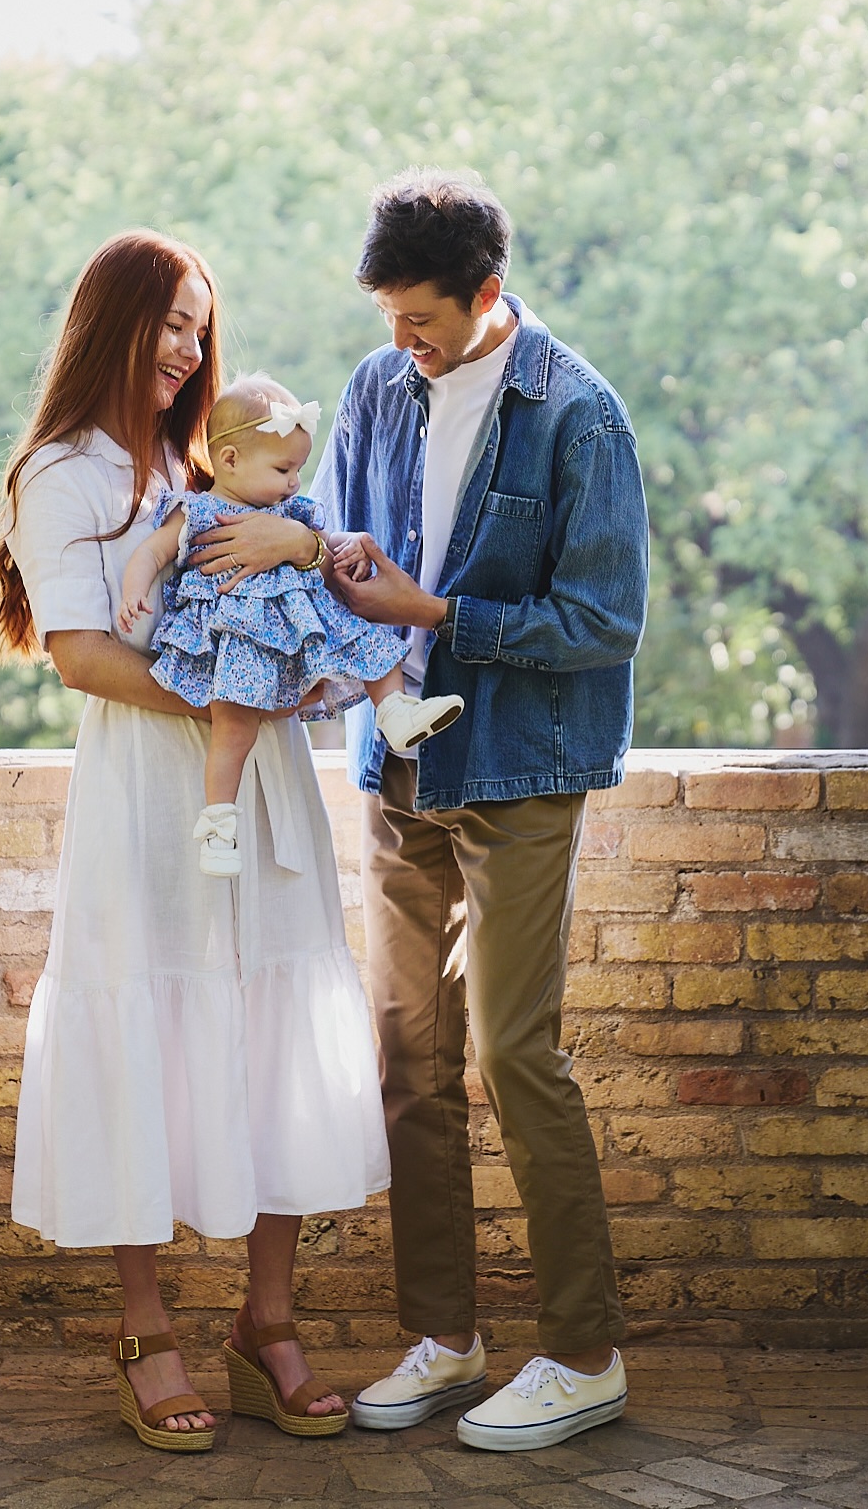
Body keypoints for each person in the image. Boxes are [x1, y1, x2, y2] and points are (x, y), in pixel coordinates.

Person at [0, 230, 391, 1452]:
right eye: (170, 320)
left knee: (274, 1027)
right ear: (112, 321)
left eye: (201, 324)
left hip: (260, 792)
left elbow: (308, 588)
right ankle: (146, 1328)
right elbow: (81, 653)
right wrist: (232, 696)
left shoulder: (207, 457)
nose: (190, 347)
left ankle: (267, 1327)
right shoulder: (63, 471)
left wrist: (308, 616)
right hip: (150, 802)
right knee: (143, 1032)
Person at [312, 170, 648, 1452]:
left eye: (424, 322)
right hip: (394, 766)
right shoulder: (373, 389)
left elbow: (603, 623)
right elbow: (347, 545)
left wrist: (438, 615)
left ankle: (585, 1351)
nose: (405, 343)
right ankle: (446, 1338)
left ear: (488, 294)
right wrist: (339, 587)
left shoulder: (580, 416)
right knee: (411, 1062)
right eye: (392, 317)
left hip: (519, 770)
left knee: (517, 1052)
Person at [118, 372, 464, 875]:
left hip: (298, 629)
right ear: (231, 460)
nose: (294, 482)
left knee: (371, 642)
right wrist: (135, 590)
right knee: (233, 729)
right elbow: (152, 552)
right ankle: (218, 823)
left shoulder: (291, 511)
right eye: (284, 468)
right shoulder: (196, 512)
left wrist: (344, 547)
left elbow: (325, 544)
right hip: (236, 640)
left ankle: (394, 712)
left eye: (298, 469)